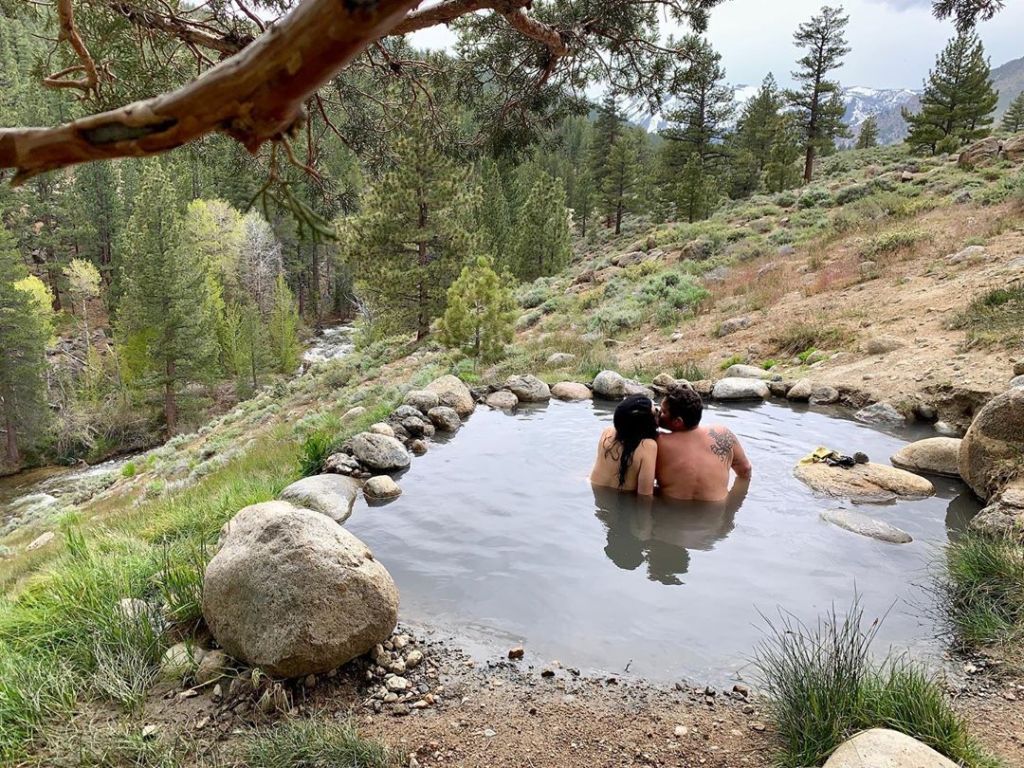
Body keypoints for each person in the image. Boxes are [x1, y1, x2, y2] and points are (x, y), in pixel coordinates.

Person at [656, 386, 751, 501]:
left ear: (678, 421)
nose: (658, 413)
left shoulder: (657, 442)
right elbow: (745, 470)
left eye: (663, 411)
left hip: (670, 511)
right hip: (716, 514)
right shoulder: (723, 434)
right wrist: (731, 509)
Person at [590, 394, 659, 495]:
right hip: (623, 501)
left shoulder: (607, 433)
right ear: (645, 424)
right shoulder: (648, 446)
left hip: (595, 491)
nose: (658, 411)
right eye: (654, 411)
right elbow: (645, 495)